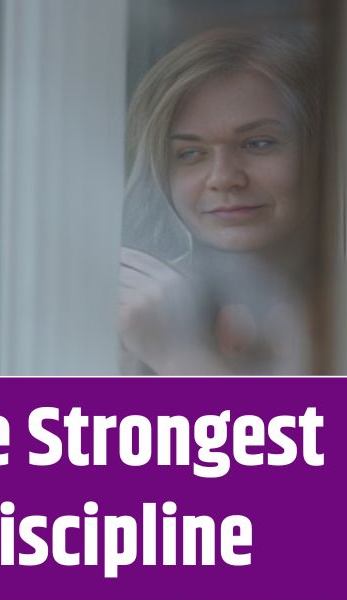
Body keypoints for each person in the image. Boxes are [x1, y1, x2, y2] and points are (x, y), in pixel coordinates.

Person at [119, 27, 321, 375]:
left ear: (324, 151)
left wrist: (183, 361)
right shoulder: (136, 309)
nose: (223, 178)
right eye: (190, 153)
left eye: (258, 143)